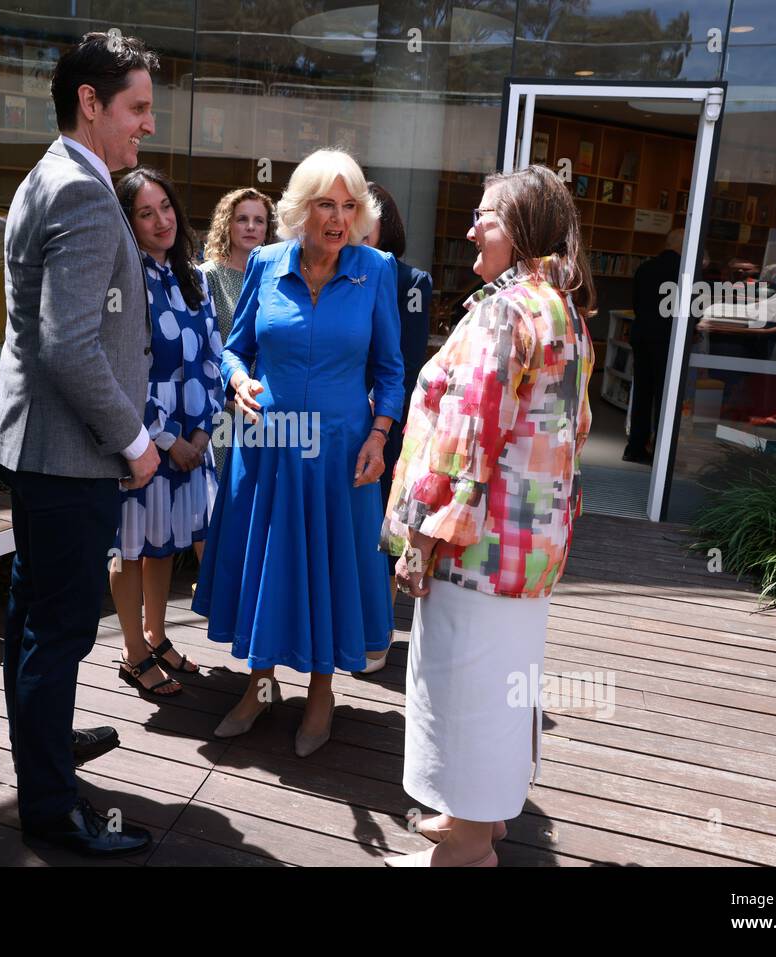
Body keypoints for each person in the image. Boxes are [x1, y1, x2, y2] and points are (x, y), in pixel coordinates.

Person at [381, 164, 594, 867]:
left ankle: (468, 850)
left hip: (477, 545)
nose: (472, 228)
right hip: (529, 545)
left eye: (487, 218)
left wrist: (419, 536)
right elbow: (577, 427)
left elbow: (465, 436)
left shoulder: (507, 310)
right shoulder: (562, 310)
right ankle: (479, 819)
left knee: (465, 684)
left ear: (525, 231)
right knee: (504, 681)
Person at [0, 32, 158, 857]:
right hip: (70, 455)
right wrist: (135, 441)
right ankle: (51, 808)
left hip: (41, 448)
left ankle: (41, 756)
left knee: (32, 622)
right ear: (91, 104)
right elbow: (69, 344)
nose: (147, 126)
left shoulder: (47, 174)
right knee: (58, 634)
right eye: (137, 107)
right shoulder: (84, 193)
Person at [193, 148, 404, 758]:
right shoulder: (264, 261)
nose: (338, 218)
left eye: (348, 206)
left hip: (341, 450)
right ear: (300, 209)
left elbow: (390, 370)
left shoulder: (375, 269)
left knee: (327, 569)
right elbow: (235, 350)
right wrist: (236, 382)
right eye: (325, 204)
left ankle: (320, 695)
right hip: (267, 444)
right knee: (267, 566)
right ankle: (259, 690)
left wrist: (378, 435)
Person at [111, 167, 223, 697]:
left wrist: (200, 435)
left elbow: (213, 358)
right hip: (143, 443)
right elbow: (123, 368)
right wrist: (166, 439)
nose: (161, 221)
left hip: (190, 443)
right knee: (130, 548)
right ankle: (132, 652)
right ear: (128, 223)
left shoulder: (192, 276)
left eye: (166, 207)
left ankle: (157, 634)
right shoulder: (125, 279)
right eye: (145, 212)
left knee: (163, 545)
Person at [360, 181, 432, 674]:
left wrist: (384, 419)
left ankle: (378, 632)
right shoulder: (333, 271)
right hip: (340, 418)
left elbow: (406, 363)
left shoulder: (412, 281)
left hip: (388, 420)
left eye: (363, 214)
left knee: (382, 531)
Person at [199, 188, 275, 477]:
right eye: (242, 219)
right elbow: (202, 347)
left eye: (259, 220)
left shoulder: (276, 279)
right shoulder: (208, 275)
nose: (251, 227)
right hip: (222, 410)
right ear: (226, 224)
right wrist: (225, 396)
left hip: (265, 413)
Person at [622, 228, 681, 464]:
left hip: (642, 335)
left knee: (643, 393)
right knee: (664, 395)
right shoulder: (685, 271)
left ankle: (635, 447)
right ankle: (660, 451)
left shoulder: (645, 267)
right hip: (667, 339)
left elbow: (636, 301)